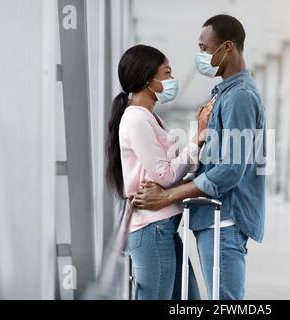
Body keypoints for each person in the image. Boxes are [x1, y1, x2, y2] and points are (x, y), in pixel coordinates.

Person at [133, 15, 267, 300]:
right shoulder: (223, 94)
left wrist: (169, 196)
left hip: (225, 220)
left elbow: (229, 170)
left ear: (227, 47)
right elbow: (214, 162)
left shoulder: (239, 97)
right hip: (213, 218)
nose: (201, 56)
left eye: (205, 49)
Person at [105, 44, 213, 300]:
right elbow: (164, 175)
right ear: (147, 78)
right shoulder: (137, 119)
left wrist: (187, 174)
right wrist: (197, 139)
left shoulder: (151, 118)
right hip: (151, 229)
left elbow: (171, 172)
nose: (171, 80)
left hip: (163, 228)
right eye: (166, 73)